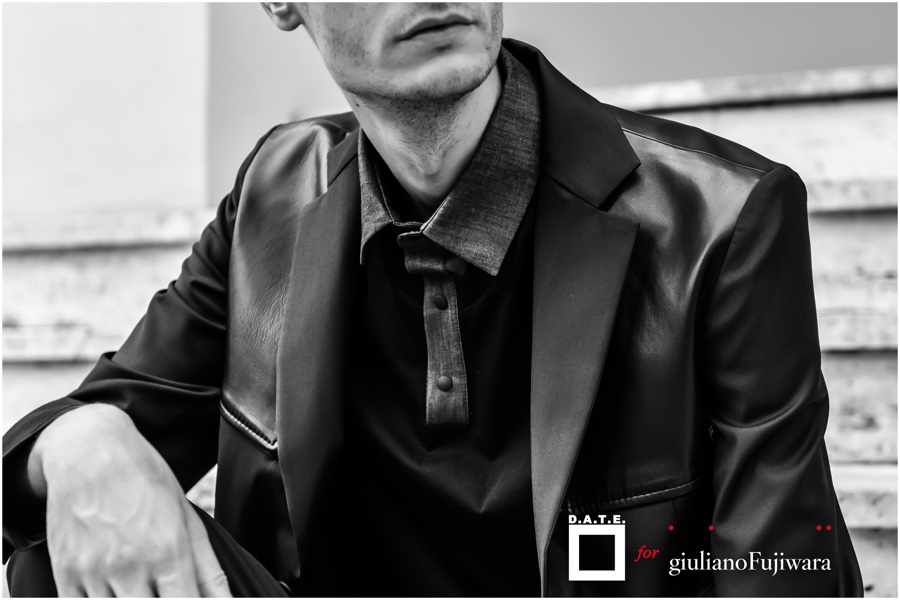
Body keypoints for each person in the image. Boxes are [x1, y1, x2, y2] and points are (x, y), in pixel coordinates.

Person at [3, 3, 863, 597]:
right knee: (63, 544)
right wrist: (87, 438)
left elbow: (783, 574)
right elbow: (41, 470)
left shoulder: (722, 218)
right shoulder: (275, 193)